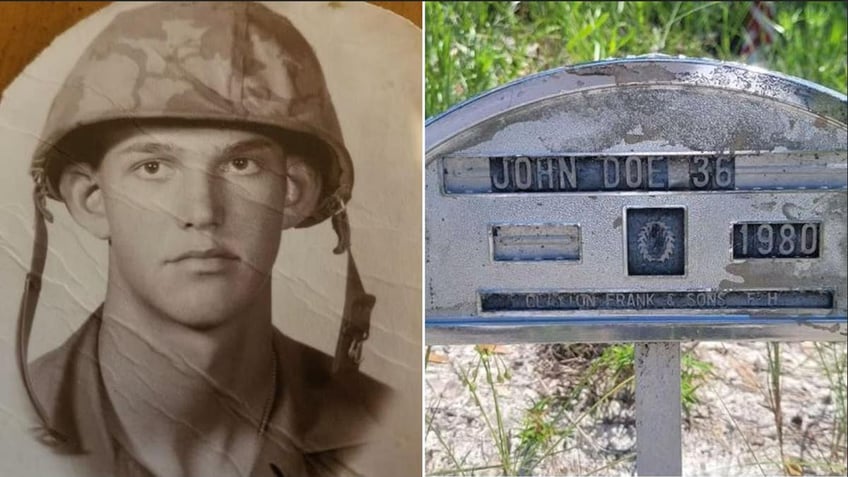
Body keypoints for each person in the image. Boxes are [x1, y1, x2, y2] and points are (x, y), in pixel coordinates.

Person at [15, 3, 390, 476]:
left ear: (293, 192)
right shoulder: (14, 429)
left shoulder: (386, 432)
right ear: (91, 198)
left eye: (240, 165)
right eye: (153, 167)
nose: (201, 212)